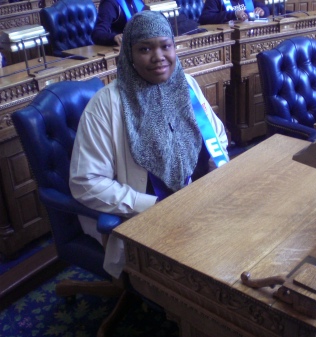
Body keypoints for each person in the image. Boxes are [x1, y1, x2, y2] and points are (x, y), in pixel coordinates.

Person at [70, 10, 229, 277]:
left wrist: (214, 175)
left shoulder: (186, 85)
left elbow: (217, 136)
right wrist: (147, 205)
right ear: (129, 54)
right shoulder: (106, 104)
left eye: (165, 46)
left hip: (199, 200)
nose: (158, 57)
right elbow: (86, 182)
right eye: (145, 48)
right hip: (145, 217)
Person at [198, 0, 270, 24]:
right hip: (228, 39)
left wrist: (262, 11)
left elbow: (265, 9)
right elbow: (205, 18)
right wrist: (234, 14)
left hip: (249, 34)